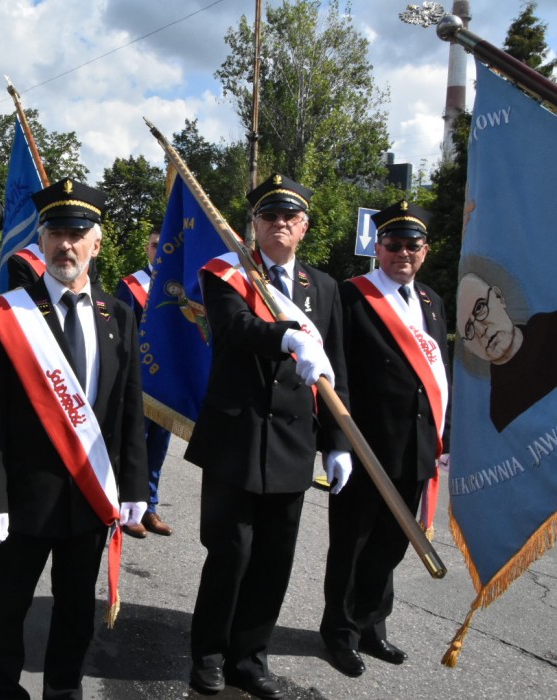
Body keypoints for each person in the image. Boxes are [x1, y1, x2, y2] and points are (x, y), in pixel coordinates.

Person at [0, 178, 148, 699]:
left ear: (97, 242)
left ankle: (63, 691)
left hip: (90, 498)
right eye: (55, 233)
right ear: (41, 241)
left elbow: (127, 409)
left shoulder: (119, 316)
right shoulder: (9, 315)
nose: (65, 245)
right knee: (7, 610)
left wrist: (135, 487)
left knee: (75, 611)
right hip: (22, 498)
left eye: (77, 233)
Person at [184, 174, 349, 699]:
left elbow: (335, 367)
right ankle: (209, 656)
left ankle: (250, 659)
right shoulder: (227, 273)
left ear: (304, 227)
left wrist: (339, 443)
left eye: (289, 217)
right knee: (230, 554)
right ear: (253, 224)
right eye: (269, 216)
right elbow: (234, 329)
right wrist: (288, 338)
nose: (279, 224)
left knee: (274, 561)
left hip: (293, 442)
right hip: (237, 436)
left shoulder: (323, 287)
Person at [320, 200, 451, 677]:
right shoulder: (352, 296)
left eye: (412, 246)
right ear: (377, 248)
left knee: (391, 545)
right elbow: (335, 372)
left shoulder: (432, 301)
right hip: (368, 446)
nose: (402, 254)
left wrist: (446, 436)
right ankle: (339, 633)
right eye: (393, 245)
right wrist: (337, 442)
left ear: (425, 251)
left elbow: (440, 375)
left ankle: (371, 625)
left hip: (416, 446)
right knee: (352, 544)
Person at [115, 227, 173, 538]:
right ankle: (128, 507)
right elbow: (120, 336)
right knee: (134, 445)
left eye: (164, 246)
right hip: (138, 381)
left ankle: (149, 506)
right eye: (154, 245)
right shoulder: (131, 285)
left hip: (168, 383)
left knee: (158, 448)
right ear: (147, 249)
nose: (159, 251)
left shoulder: (181, 287)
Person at [457, 272, 557, 432]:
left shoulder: (551, 327)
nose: (481, 330)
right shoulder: (498, 411)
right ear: (468, 346)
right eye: (469, 329)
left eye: (480, 308)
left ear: (498, 297)